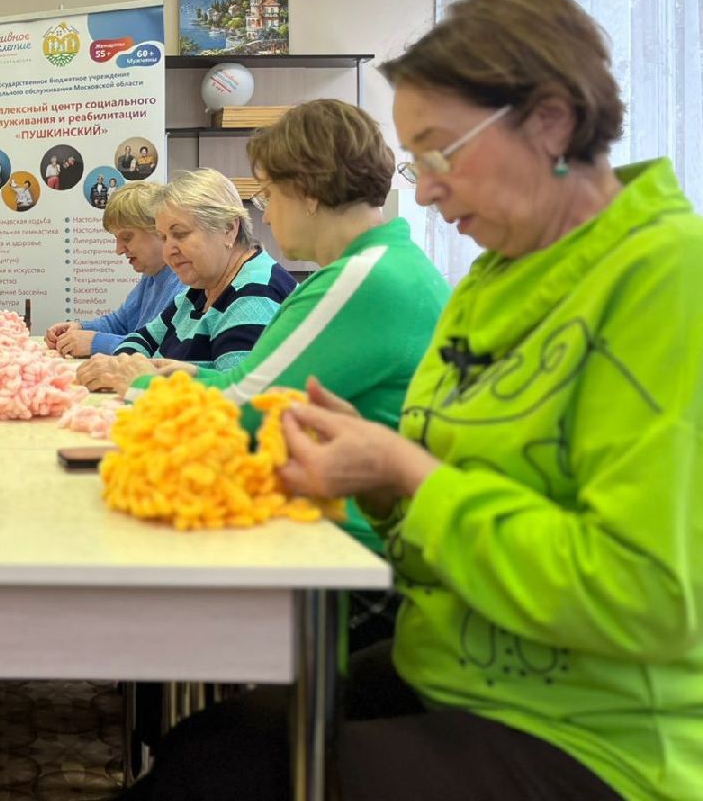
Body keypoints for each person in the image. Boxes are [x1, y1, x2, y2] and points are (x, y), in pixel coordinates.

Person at [123, 0, 703, 801]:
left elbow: (648, 596)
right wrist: (380, 474)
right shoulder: (496, 278)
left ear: (551, 121)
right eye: (414, 162)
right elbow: (449, 488)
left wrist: (409, 476)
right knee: (203, 745)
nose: (423, 191)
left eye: (439, 153)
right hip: (454, 661)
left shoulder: (664, 280)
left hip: (589, 732)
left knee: (216, 780)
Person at [126, 100, 450, 563]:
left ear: (308, 191)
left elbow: (247, 407)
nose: (269, 217)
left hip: (354, 546)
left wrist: (135, 386)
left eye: (270, 197)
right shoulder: (379, 266)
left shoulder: (363, 276)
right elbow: (258, 384)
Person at [78, 168, 294, 392]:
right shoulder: (200, 289)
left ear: (228, 228)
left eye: (180, 234)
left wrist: (143, 381)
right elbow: (144, 340)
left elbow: (238, 401)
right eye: (163, 238)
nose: (168, 250)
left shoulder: (254, 293)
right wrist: (119, 367)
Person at [46, 183, 182, 358]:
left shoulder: (186, 285)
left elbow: (167, 351)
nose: (118, 250)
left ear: (160, 230)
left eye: (126, 237)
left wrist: (97, 343)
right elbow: (120, 322)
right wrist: (81, 329)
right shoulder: (152, 276)